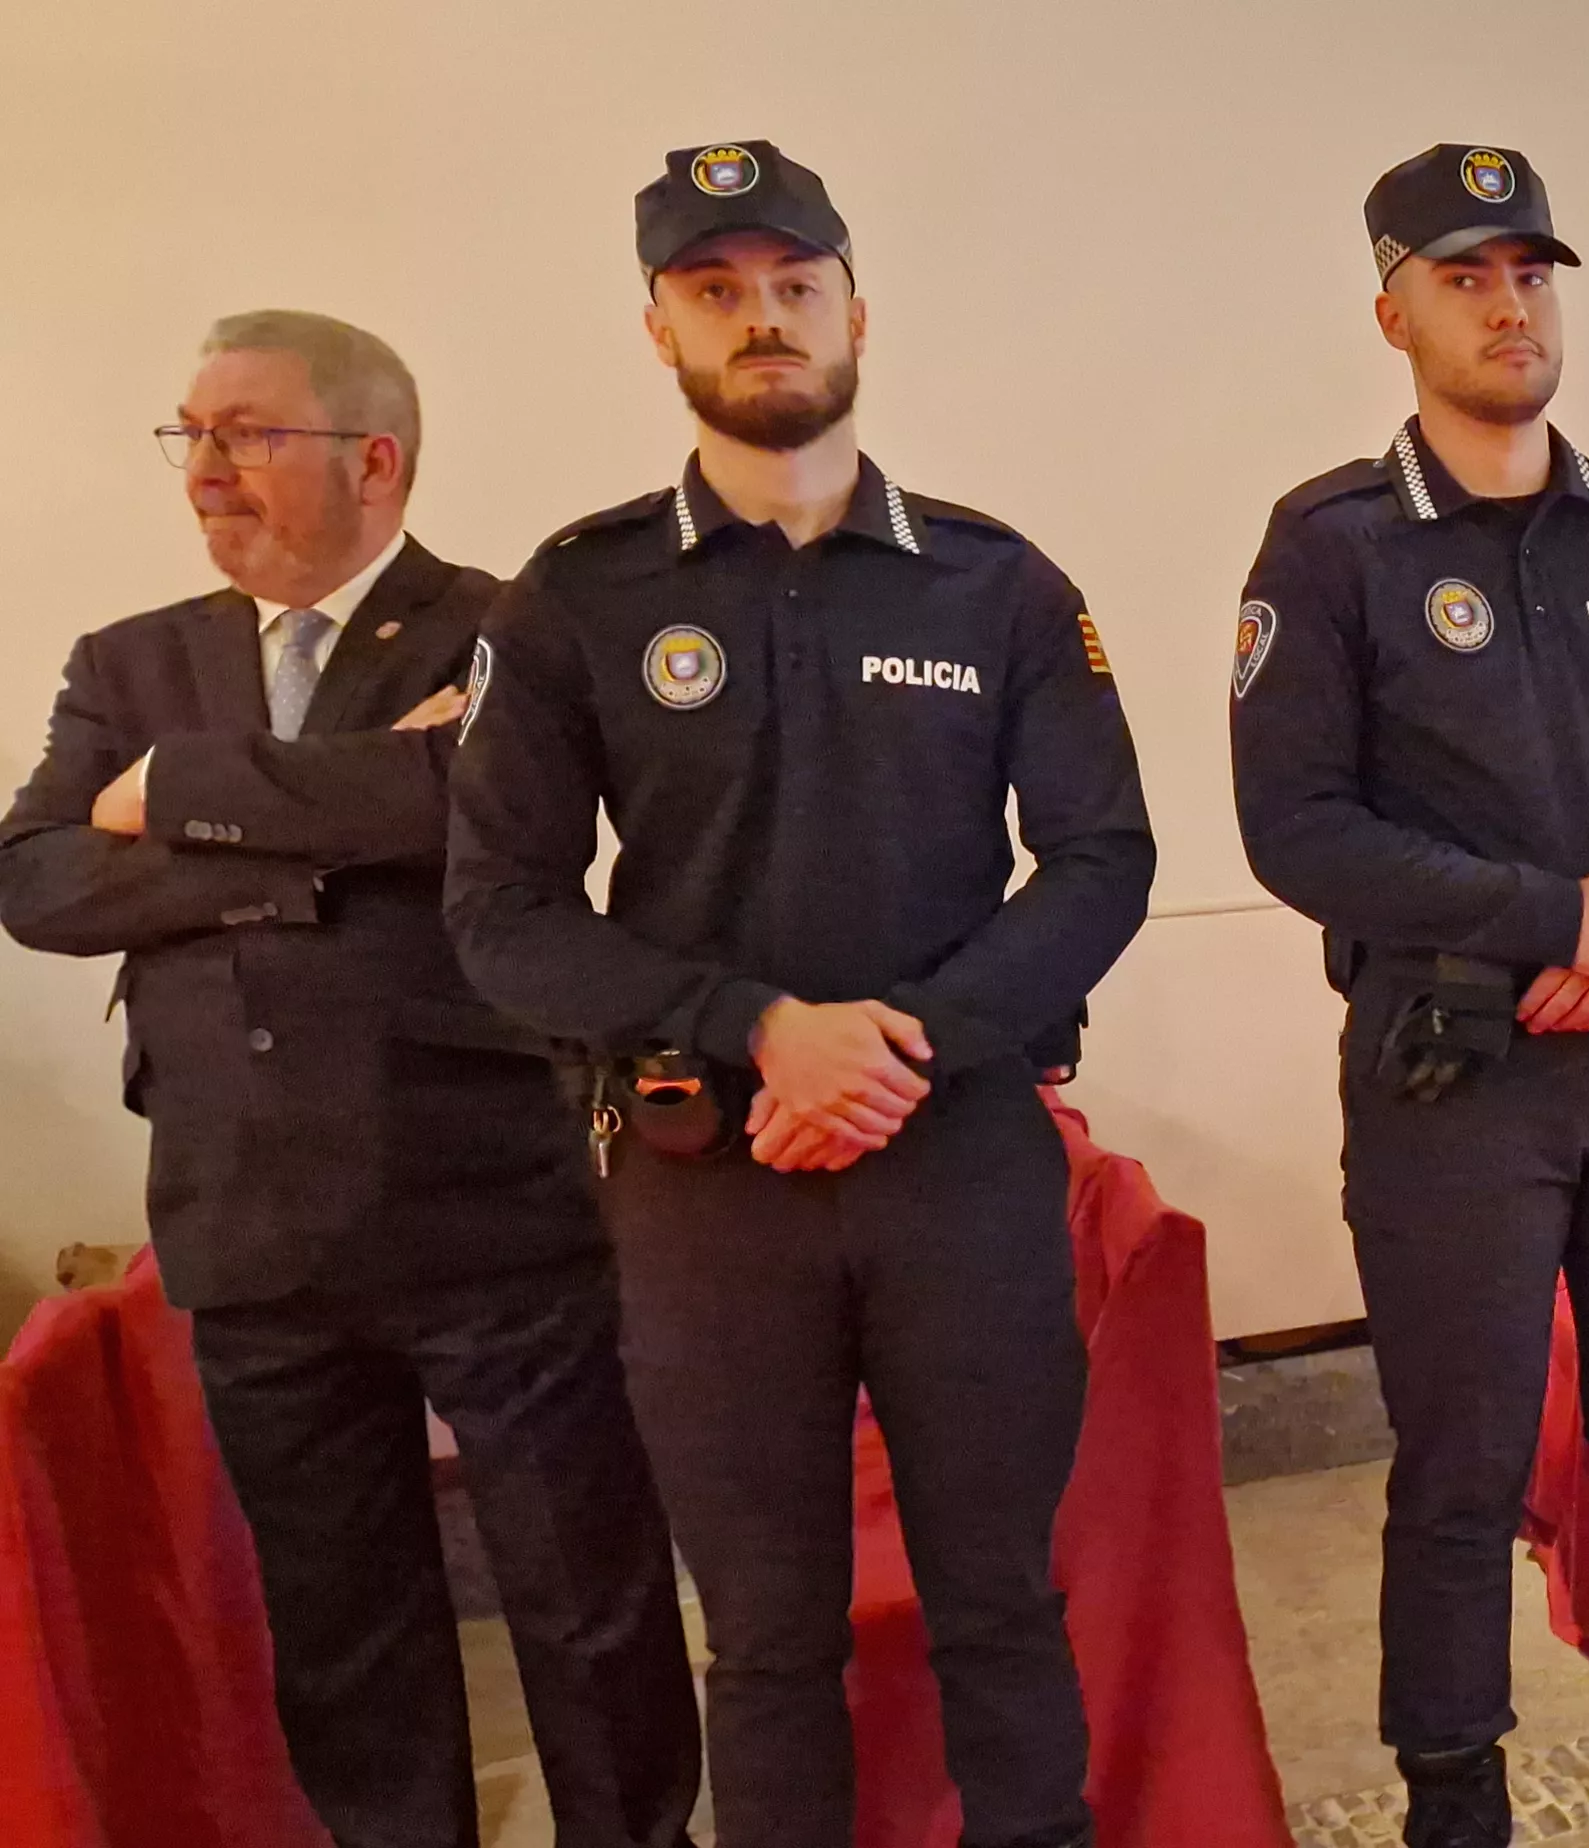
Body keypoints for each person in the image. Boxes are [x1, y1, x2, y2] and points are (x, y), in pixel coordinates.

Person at [446, 142, 1154, 1848]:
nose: (761, 319)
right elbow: (505, 916)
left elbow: (1100, 860)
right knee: (763, 1640)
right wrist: (759, 1024)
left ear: (854, 308)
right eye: (716, 290)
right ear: (659, 328)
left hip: (959, 1162)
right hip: (710, 1186)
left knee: (998, 1600)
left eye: (793, 284)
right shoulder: (579, 595)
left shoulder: (999, 583)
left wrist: (901, 1047)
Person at [1, 311, 700, 1848]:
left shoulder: (512, 627)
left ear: (373, 457)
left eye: (246, 432)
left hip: (488, 1208)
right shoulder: (132, 661)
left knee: (589, 1605)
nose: (205, 472)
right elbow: (38, 881)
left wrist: (179, 797)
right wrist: (321, 847)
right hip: (246, 1220)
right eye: (189, 434)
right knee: (345, 1633)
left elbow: (485, 810)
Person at [1227, 144, 1589, 1848]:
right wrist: (1557, 916)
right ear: (1393, 308)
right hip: (1453, 1077)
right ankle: (1454, 1802)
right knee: (1463, 1472)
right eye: (1468, 276)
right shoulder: (1331, 545)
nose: (1508, 305)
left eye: (1532, 273)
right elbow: (1297, 826)